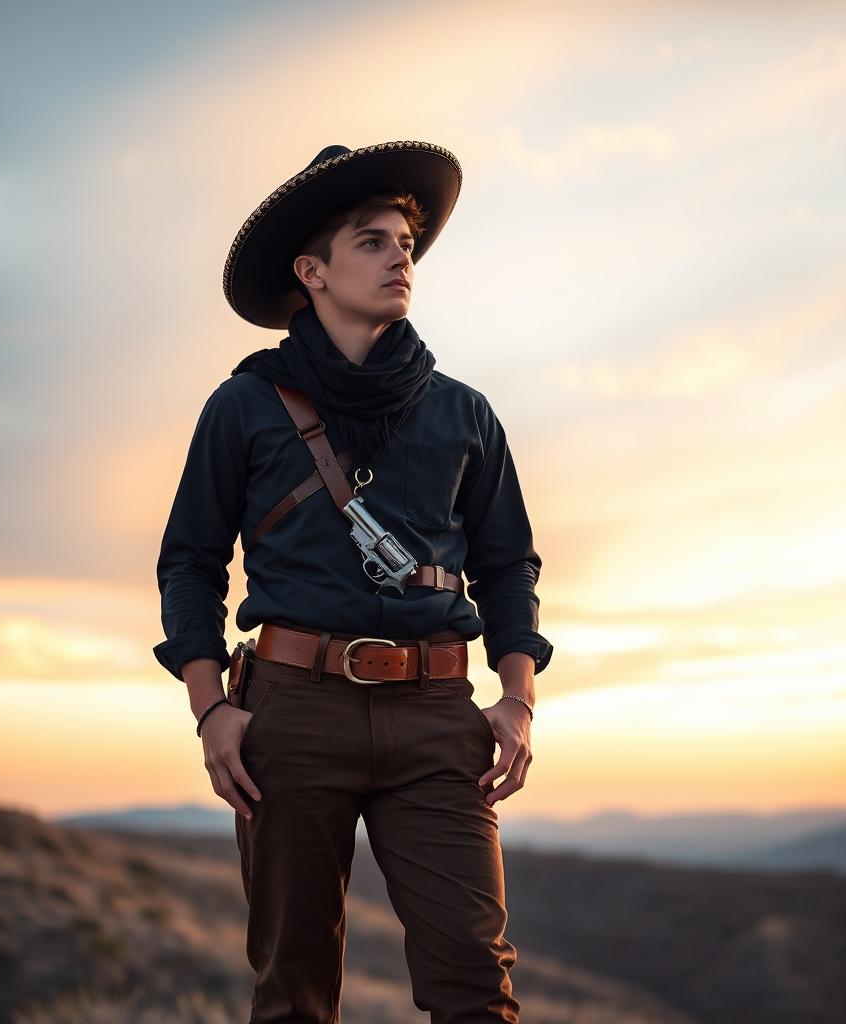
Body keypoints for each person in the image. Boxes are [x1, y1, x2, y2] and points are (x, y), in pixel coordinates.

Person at [153, 141, 553, 1023]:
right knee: (293, 992)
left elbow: (507, 562)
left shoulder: (463, 411)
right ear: (314, 271)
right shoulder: (245, 406)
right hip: (292, 712)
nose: (400, 255)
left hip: (439, 715)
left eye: (405, 240)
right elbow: (188, 560)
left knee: (476, 988)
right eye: (372, 241)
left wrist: (517, 698)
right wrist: (211, 708)